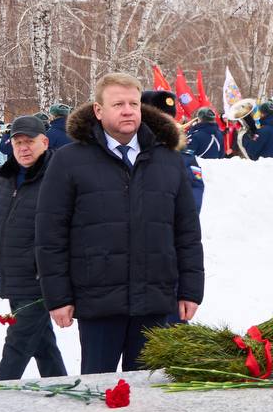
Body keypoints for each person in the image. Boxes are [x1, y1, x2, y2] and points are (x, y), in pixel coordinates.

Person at [37, 74, 204, 374]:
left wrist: (190, 289)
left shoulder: (168, 160)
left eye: (133, 104)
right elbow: (51, 235)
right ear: (99, 111)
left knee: (147, 394)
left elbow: (186, 232)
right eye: (118, 104)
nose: (128, 111)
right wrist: (58, 297)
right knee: (98, 392)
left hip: (154, 301)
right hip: (98, 302)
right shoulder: (68, 161)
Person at [0, 115, 67, 381]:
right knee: (42, 344)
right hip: (12, 276)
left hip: (38, 280)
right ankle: (58, 381)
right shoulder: (8, 176)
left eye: (30, 142)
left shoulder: (56, 178)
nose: (24, 148)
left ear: (45, 142)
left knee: (17, 345)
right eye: (18, 142)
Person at [141, 89, 205, 211]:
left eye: (170, 119)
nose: (167, 124)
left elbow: (193, 198)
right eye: (159, 119)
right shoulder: (128, 149)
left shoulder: (185, 157)